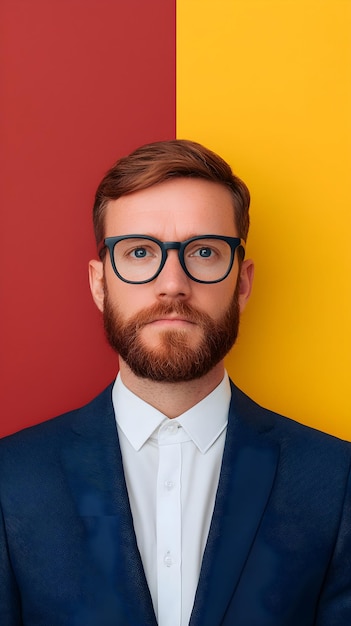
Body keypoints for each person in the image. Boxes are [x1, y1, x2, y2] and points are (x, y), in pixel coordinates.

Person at [0, 139, 350, 626]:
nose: (172, 283)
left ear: (241, 283)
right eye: (140, 252)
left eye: (204, 251)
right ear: (100, 284)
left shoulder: (336, 481)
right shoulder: (10, 480)